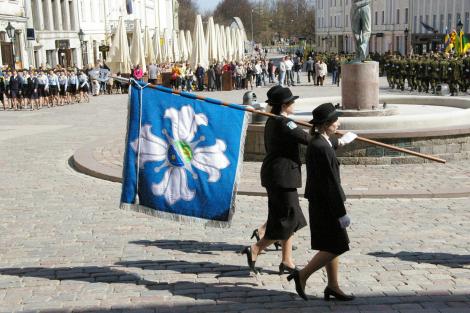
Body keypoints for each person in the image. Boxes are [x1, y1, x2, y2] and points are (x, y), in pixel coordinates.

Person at [287, 103, 356, 302]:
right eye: (335, 120)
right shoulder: (321, 147)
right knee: (337, 245)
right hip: (326, 204)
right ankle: (302, 275)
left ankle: (333, 285)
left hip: (321, 201)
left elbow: (328, 144)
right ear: (326, 124)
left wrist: (341, 142)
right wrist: (341, 212)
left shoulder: (319, 141)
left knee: (330, 244)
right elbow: (331, 183)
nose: (339, 122)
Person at [242, 86, 310, 275]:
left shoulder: (275, 120)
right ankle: (256, 248)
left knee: (285, 218)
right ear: (284, 105)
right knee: (290, 218)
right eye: (292, 102)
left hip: (277, 175)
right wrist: (331, 137)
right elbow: (307, 139)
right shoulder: (283, 123)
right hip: (282, 176)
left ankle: (287, 261)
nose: (294, 104)